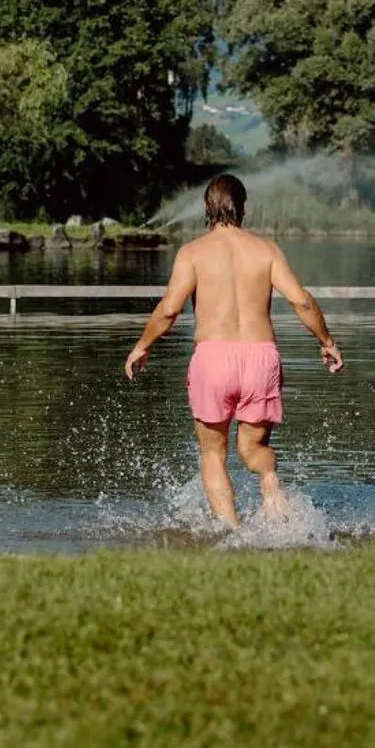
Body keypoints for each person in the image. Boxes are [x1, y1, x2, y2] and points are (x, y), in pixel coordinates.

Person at [123, 173, 343, 530]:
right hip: (261, 358)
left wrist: (142, 346)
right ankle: (269, 480)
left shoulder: (192, 253)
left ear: (206, 207)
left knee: (213, 452)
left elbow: (169, 310)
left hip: (213, 359)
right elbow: (301, 301)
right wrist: (327, 342)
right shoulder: (267, 250)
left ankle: (231, 532)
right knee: (252, 450)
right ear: (243, 208)